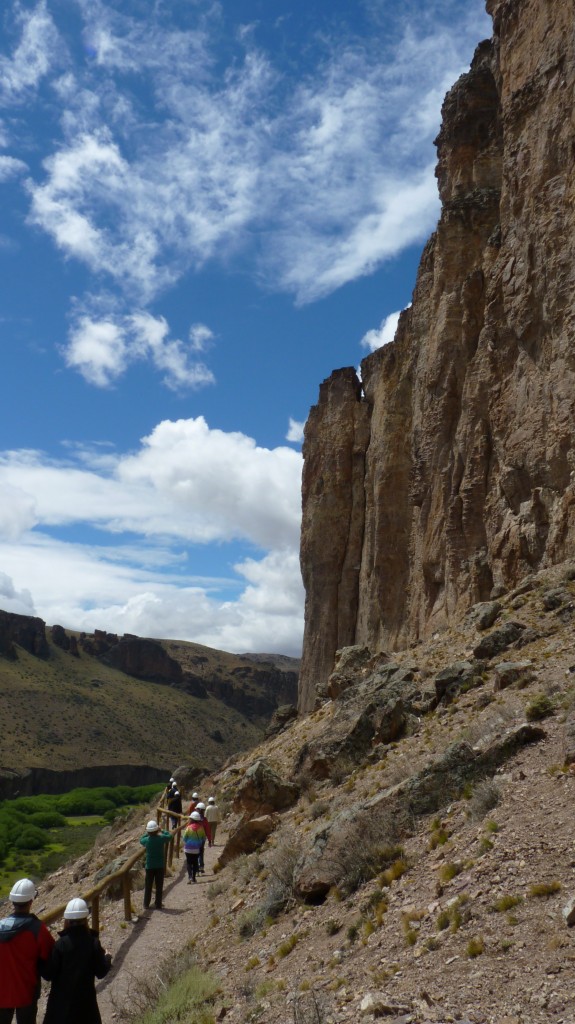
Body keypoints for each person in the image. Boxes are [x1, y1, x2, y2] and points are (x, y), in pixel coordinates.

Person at [42, 898, 111, 1024]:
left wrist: (39, 961)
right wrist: (107, 958)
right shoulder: (93, 943)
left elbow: (48, 974)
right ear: (85, 919)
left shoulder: (60, 945)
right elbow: (101, 972)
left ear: (67, 921)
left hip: (60, 1008)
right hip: (86, 1007)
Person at [0, 877, 54, 1024]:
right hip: (27, 992)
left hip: (2, 992)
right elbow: (50, 955)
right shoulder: (37, 929)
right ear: (31, 901)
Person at [139, 820, 172, 910]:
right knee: (159, 885)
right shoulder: (161, 839)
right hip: (160, 866)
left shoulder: (146, 840)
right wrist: (162, 831)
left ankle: (146, 904)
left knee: (148, 885)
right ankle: (158, 904)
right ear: (156, 830)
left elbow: (140, 840)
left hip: (149, 866)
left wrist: (147, 834)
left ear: (148, 831)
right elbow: (170, 836)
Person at [182, 812, 205, 884]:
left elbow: (184, 838)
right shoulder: (201, 828)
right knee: (195, 863)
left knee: (189, 863)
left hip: (188, 848)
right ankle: (194, 878)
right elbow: (203, 838)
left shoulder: (188, 828)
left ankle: (190, 877)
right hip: (196, 849)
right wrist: (199, 843)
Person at [194, 803, 210, 873]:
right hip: (202, 838)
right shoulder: (205, 819)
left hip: (194, 838)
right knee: (201, 852)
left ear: (198, 809)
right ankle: (201, 866)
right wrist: (209, 840)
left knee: (195, 853)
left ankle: (196, 867)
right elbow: (207, 830)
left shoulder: (194, 818)